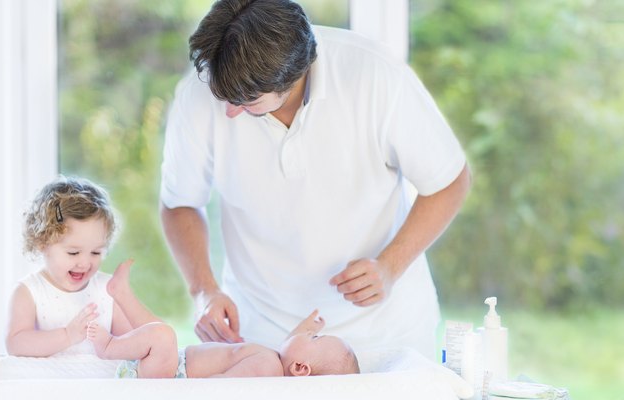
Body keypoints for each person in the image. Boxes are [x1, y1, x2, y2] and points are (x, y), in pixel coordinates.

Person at [159, 0, 472, 363]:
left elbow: (449, 180)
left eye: (246, 101)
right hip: (259, 338)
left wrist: (389, 267)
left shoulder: (374, 75)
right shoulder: (200, 92)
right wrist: (204, 291)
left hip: (383, 335)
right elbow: (179, 202)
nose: (228, 109)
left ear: (293, 77)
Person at [5, 176, 178, 378]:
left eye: (96, 252)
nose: (85, 263)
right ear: (43, 243)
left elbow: (145, 340)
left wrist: (123, 296)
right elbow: (16, 343)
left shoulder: (104, 289)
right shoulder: (30, 291)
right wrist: (68, 335)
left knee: (164, 338)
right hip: (52, 386)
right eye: (73, 253)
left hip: (103, 386)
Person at [87, 261, 359, 378]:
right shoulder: (275, 363)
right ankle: (121, 295)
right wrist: (305, 329)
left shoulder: (269, 368)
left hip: (174, 380)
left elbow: (224, 387)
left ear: (300, 368)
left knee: (163, 335)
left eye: (314, 339)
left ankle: (108, 347)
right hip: (175, 366)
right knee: (159, 331)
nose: (305, 335)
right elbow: (289, 345)